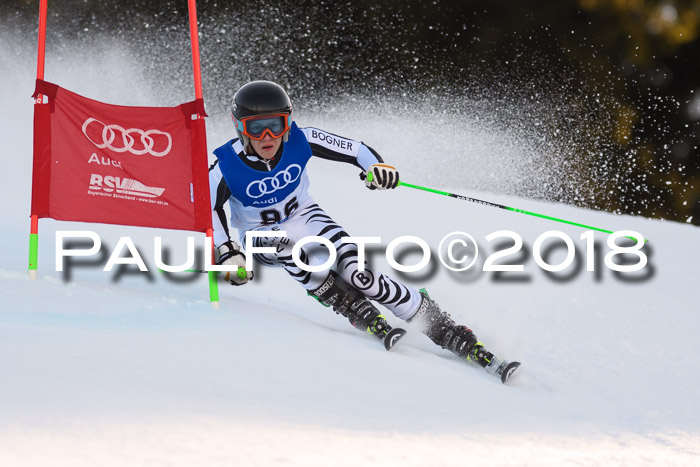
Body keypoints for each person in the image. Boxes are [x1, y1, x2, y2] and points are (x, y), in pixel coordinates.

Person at [209, 80, 505, 375]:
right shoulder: (225, 165)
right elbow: (209, 208)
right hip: (259, 236)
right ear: (240, 128)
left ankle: (440, 325)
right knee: (292, 249)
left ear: (288, 122)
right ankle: (347, 304)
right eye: (256, 127)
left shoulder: (303, 138)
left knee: (359, 273)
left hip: (305, 216)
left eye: (276, 124)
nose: (268, 135)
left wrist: (375, 167)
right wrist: (227, 251)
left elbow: (356, 150)